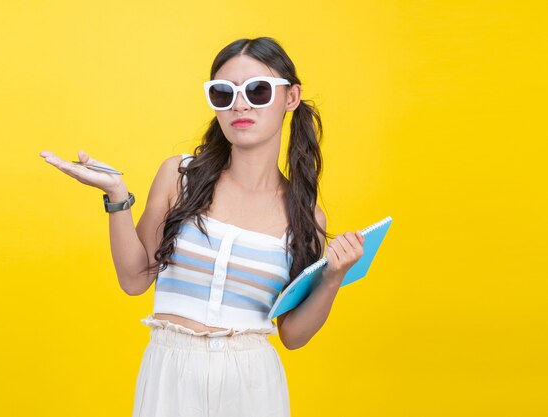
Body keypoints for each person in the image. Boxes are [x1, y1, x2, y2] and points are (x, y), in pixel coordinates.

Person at [40, 37, 365, 417]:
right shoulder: (179, 178)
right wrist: (117, 196)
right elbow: (134, 280)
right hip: (170, 375)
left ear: (291, 98)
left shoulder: (305, 217)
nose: (239, 105)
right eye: (224, 93)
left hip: (253, 384)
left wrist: (332, 278)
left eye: (258, 91)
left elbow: (293, 335)